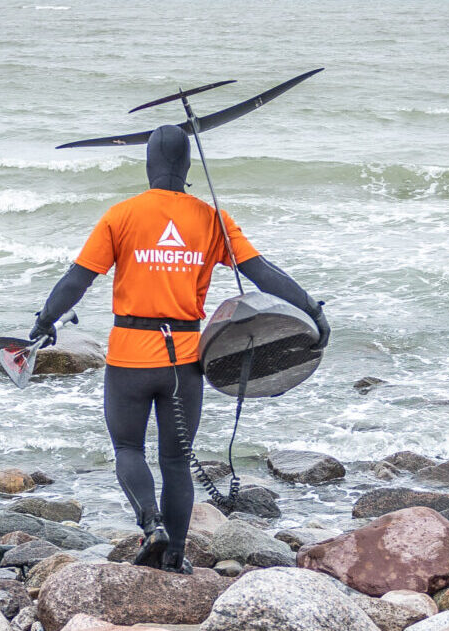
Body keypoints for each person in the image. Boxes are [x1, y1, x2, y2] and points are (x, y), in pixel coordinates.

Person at [29, 124, 329, 573]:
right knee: (176, 461)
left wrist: (44, 320)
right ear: (187, 167)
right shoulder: (212, 219)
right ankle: (175, 557)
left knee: (128, 449)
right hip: (185, 360)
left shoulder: (121, 215)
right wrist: (312, 311)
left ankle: (151, 526)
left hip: (129, 357)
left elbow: (77, 279)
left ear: (149, 164)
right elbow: (264, 274)